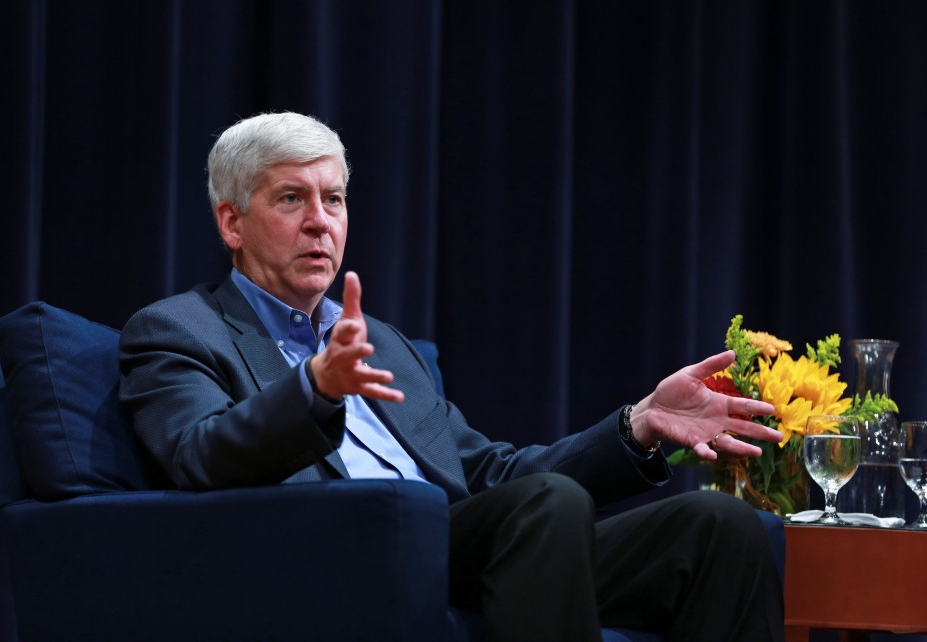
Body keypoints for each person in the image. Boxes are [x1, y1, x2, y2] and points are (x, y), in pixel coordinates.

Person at [119, 111, 786, 641]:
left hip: (453, 554)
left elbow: (488, 475)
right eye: (291, 198)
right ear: (231, 221)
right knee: (544, 505)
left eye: (334, 198)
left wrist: (636, 425)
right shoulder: (178, 329)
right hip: (330, 560)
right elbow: (197, 454)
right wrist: (314, 388)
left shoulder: (383, 343)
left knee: (717, 526)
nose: (320, 221)